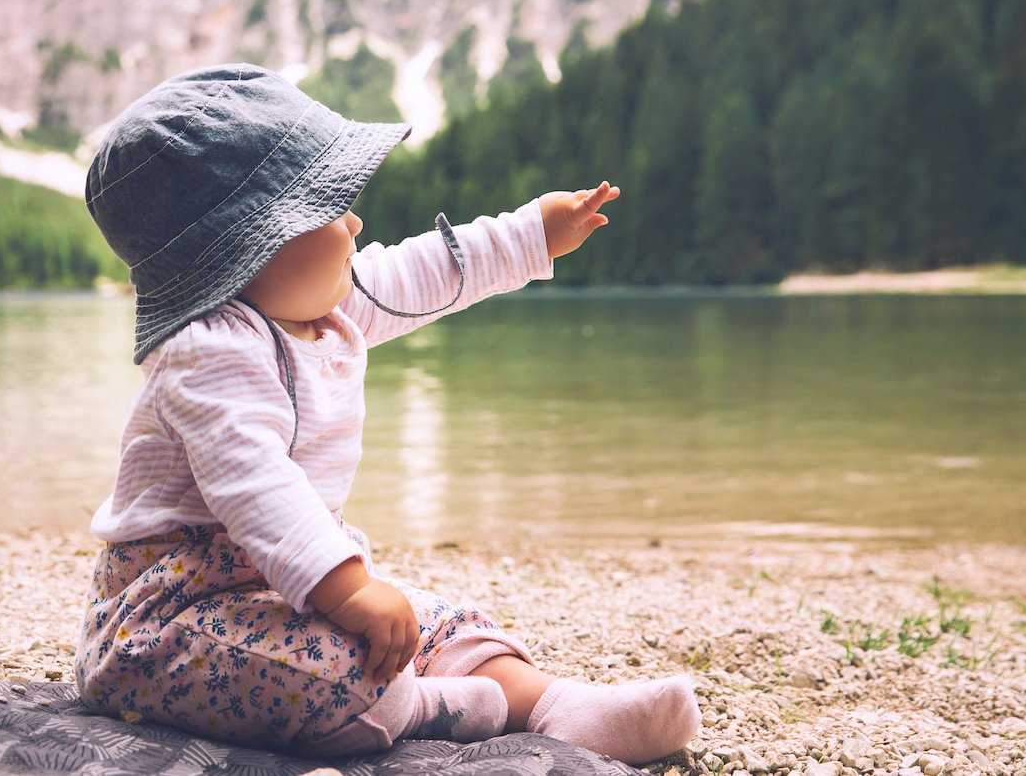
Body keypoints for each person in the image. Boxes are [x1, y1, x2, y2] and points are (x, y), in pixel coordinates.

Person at [74, 63, 701, 764]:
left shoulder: (319, 308)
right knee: (343, 669)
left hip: (287, 586)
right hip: (169, 619)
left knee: (437, 622)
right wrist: (350, 589)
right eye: (328, 207)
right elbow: (256, 488)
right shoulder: (207, 352)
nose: (355, 220)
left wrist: (533, 235)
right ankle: (428, 707)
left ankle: (557, 704)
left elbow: (423, 270)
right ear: (247, 247)